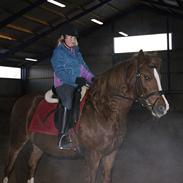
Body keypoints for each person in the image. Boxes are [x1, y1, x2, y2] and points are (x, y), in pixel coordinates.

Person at [50, 23, 94, 150]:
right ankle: (62, 135)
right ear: (63, 38)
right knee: (68, 101)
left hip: (78, 82)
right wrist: (75, 79)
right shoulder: (58, 52)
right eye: (68, 37)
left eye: (72, 37)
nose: (70, 39)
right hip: (63, 84)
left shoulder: (76, 52)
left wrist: (92, 79)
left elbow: (84, 69)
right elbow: (60, 72)